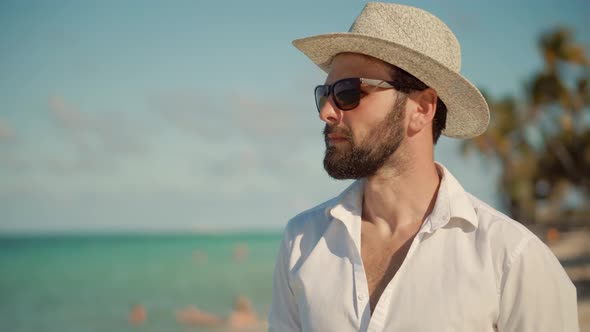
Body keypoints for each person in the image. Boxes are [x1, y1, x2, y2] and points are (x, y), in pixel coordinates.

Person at [268, 2, 579, 332]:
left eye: (348, 92)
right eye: (325, 94)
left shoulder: (513, 259)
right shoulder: (301, 241)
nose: (326, 112)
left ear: (422, 108)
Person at [176, 295, 262, 329]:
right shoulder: (252, 316)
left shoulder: (235, 316)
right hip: (224, 321)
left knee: (208, 319)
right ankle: (193, 314)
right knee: (209, 318)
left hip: (223, 322)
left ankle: (192, 314)